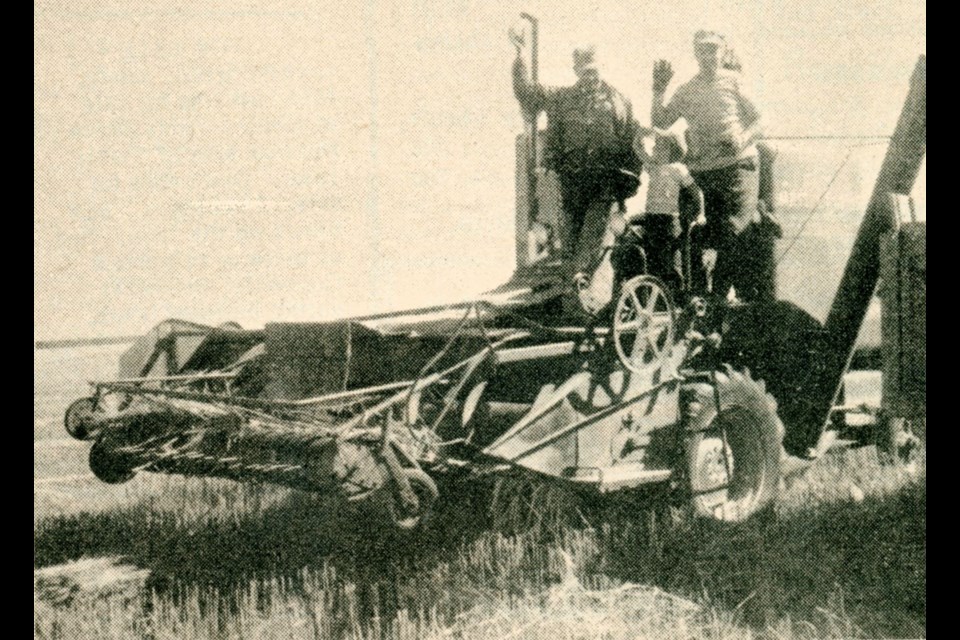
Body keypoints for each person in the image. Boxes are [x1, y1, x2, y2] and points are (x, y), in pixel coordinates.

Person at [510, 36, 642, 286]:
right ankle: (575, 295)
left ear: (600, 68)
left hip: (604, 184)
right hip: (572, 184)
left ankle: (577, 284)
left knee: (590, 240)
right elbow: (526, 92)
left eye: (593, 72)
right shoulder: (561, 98)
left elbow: (630, 144)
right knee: (570, 245)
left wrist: (626, 189)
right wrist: (520, 56)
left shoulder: (619, 101)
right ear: (576, 72)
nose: (590, 78)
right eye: (584, 73)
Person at [651, 31, 765, 302]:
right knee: (693, 231)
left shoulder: (734, 82)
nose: (708, 56)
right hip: (703, 171)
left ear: (722, 52)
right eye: (702, 50)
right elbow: (661, 122)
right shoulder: (688, 90)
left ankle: (720, 298)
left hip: (737, 167)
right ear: (695, 53)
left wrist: (742, 139)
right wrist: (658, 90)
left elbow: (761, 120)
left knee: (732, 229)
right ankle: (699, 299)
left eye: (713, 50)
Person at [611, 127, 702, 295]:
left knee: (669, 259)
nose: (653, 149)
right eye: (655, 146)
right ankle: (653, 293)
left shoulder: (678, 169)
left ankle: (677, 296)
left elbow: (696, 193)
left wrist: (699, 214)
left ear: (670, 149)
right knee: (651, 254)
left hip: (669, 219)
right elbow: (637, 147)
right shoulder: (652, 166)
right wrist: (640, 133)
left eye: (659, 146)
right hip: (651, 217)